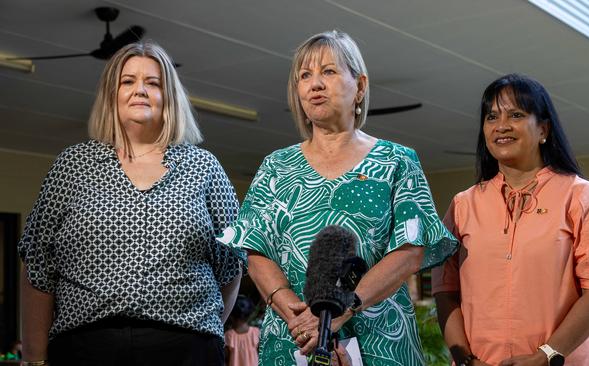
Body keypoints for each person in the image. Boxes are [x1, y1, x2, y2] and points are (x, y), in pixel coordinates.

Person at [217, 30, 458, 365]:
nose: (315, 84)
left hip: (380, 343)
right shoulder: (275, 165)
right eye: (305, 75)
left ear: (360, 86)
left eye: (328, 71)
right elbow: (256, 250)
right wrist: (294, 311)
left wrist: (343, 308)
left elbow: (409, 252)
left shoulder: (397, 161)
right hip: (294, 340)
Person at [19, 41, 243, 366]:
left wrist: (197, 327)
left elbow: (231, 263)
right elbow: (38, 266)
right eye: (128, 81)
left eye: (153, 83)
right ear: (112, 94)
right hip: (86, 349)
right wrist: (35, 360)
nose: (140, 90)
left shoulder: (203, 166)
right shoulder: (72, 165)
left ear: (169, 96)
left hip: (187, 350)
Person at [432, 73, 589, 366]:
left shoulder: (583, 197)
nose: (501, 126)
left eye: (516, 114)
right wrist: (464, 360)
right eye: (491, 116)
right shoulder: (463, 205)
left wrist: (546, 356)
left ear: (543, 129)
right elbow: (444, 291)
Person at [224, 295, 260, 366]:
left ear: (231, 315)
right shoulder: (255, 333)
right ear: (250, 314)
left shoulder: (229, 336)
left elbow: (226, 359)